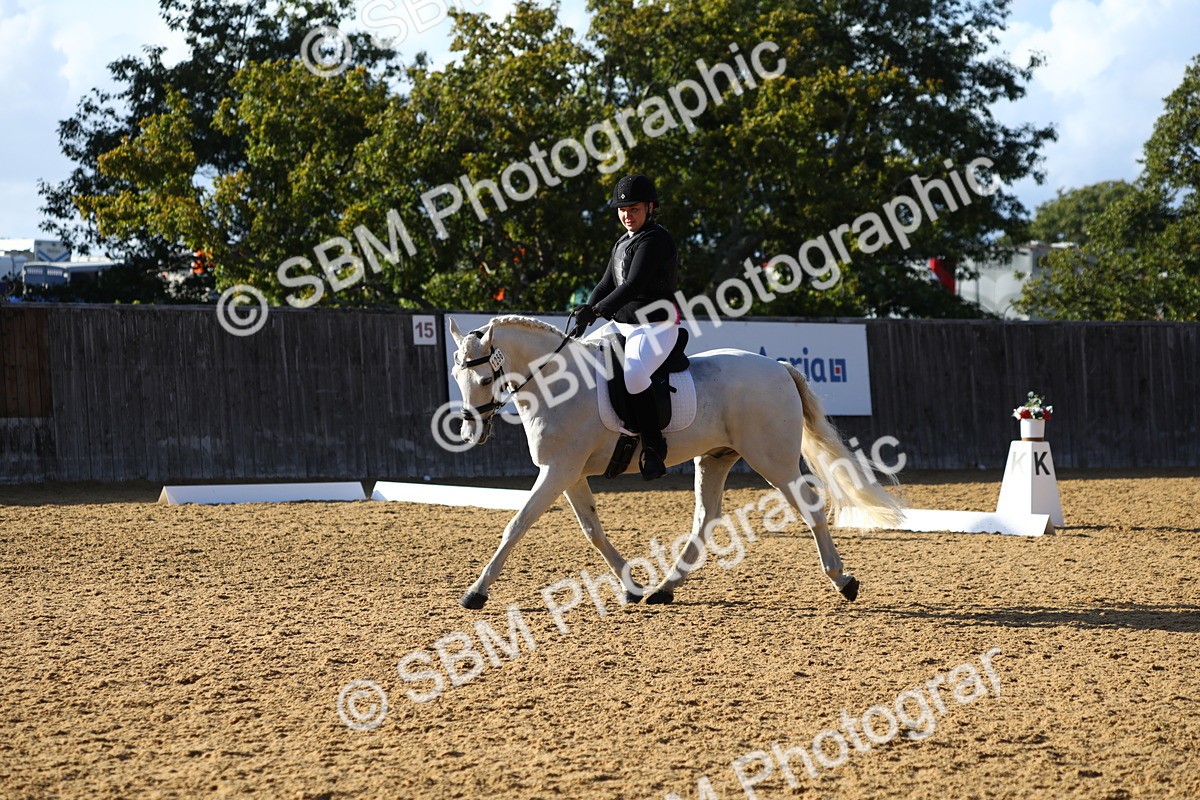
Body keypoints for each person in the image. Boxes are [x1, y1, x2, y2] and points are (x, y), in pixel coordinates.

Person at [569, 174, 680, 480]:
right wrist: (586, 309)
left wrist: (598, 310)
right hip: (623, 325)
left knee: (633, 374)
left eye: (634, 209)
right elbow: (607, 283)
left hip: (655, 326)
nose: (627, 215)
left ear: (650, 208)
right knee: (578, 357)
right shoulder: (622, 242)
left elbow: (632, 286)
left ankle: (654, 446)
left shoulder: (655, 239)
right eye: (622, 209)